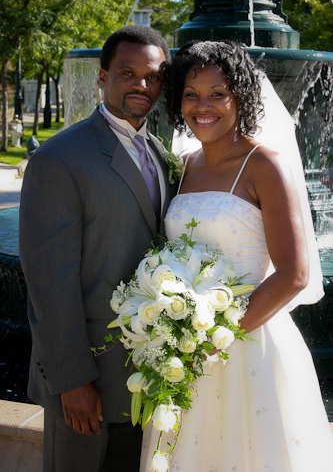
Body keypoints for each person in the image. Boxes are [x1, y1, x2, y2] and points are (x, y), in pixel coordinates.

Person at [140, 40, 333, 471]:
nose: (202, 106)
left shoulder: (265, 165)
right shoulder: (184, 165)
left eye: (217, 94)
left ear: (240, 97)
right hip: (183, 347)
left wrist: (213, 338)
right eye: (191, 94)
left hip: (248, 343)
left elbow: (295, 274)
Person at [19, 25, 175, 472]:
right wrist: (72, 382)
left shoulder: (160, 153)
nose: (142, 85)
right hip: (86, 380)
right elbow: (49, 284)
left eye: (153, 76)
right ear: (102, 77)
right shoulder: (60, 158)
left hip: (145, 375)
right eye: (127, 73)